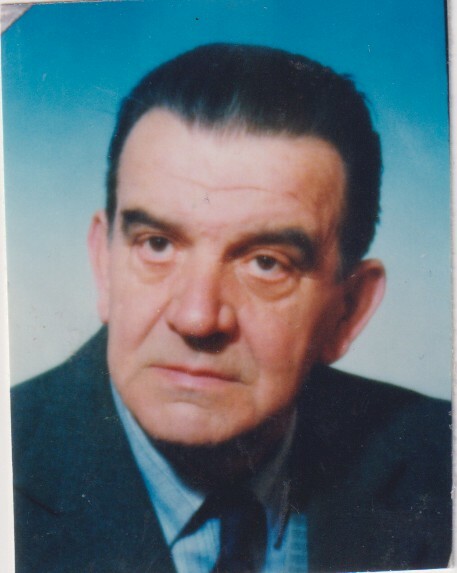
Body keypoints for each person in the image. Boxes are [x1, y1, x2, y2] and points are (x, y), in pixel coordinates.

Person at [11, 44, 451, 573]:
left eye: (267, 262)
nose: (198, 318)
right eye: (157, 244)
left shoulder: (438, 458)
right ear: (104, 265)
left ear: (349, 310)